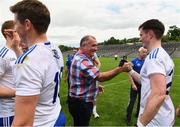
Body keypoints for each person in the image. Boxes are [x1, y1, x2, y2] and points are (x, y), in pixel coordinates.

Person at [9, 0, 65, 126]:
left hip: (42, 123)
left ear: (27, 24)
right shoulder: (55, 49)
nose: (15, 29)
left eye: (16, 24)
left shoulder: (29, 60)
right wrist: (16, 49)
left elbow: (23, 123)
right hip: (55, 116)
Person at [68, 35, 131, 126]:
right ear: (84, 45)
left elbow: (85, 77)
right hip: (81, 103)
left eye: (96, 45)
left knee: (79, 123)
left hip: (79, 101)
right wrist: (120, 69)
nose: (96, 48)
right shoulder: (82, 60)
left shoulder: (82, 57)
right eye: (93, 45)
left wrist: (96, 87)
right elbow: (100, 77)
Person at [128, 19, 175, 126]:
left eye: (141, 35)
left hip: (154, 118)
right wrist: (130, 71)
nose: (140, 38)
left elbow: (158, 94)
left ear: (150, 35)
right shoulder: (162, 55)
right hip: (162, 113)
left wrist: (141, 123)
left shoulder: (154, 58)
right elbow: (145, 81)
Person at [0, 20, 21, 126]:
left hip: (20, 110)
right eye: (18, 30)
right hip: (7, 113)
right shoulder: (2, 55)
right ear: (8, 33)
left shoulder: (18, 51)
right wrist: (19, 93)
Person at [126, 47, 147, 125]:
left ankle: (138, 115)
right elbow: (129, 73)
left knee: (141, 101)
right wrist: (133, 84)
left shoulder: (146, 62)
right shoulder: (134, 62)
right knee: (132, 101)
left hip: (143, 85)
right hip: (135, 85)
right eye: (144, 52)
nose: (145, 54)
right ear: (139, 52)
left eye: (146, 52)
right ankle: (128, 118)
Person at [92, 52, 103, 118]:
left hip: (93, 75)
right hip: (85, 76)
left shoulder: (94, 53)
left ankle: (94, 111)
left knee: (95, 95)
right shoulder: (81, 55)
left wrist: (95, 71)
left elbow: (99, 63)